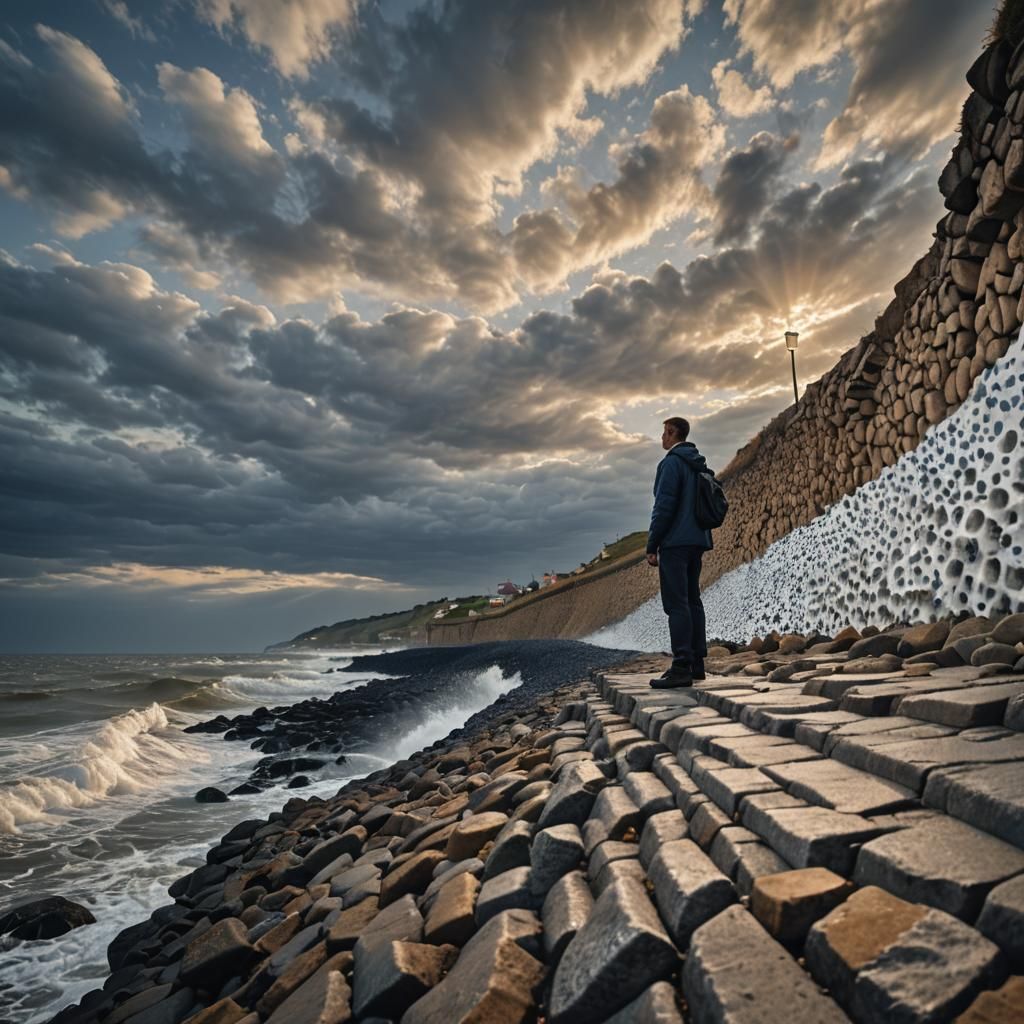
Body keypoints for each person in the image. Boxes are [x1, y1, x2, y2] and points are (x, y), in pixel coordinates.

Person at [646, 416, 712, 688]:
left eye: (664, 433)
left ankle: (681, 665)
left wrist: (653, 544)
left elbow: (664, 506)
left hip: (675, 542)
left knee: (677, 603)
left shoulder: (671, 463)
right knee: (693, 600)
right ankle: (697, 664)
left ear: (672, 433)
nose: (662, 438)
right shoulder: (698, 463)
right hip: (697, 539)